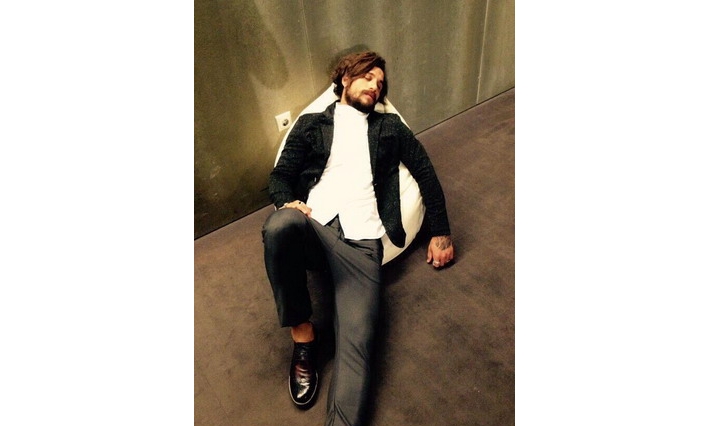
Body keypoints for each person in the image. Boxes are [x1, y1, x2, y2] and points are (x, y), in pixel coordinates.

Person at [262, 51, 454, 426]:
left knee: (358, 347)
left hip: (362, 242)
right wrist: (288, 203)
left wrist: (441, 232)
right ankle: (303, 337)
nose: (375, 86)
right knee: (279, 225)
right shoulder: (312, 124)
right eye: (367, 77)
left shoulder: (390, 127)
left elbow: (425, 172)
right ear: (346, 79)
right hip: (314, 226)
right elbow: (280, 175)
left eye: (380, 83)